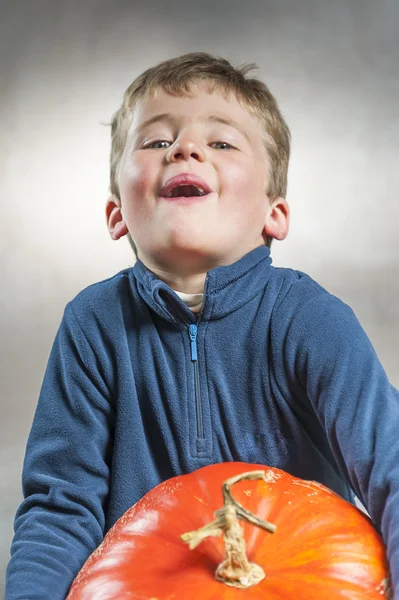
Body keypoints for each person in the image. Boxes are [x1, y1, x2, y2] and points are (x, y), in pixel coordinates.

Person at [5, 52, 398, 599]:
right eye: (156, 142)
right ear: (117, 211)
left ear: (274, 213)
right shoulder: (94, 324)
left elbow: (392, 473)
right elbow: (61, 508)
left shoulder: (312, 320)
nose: (185, 149)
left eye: (222, 143)